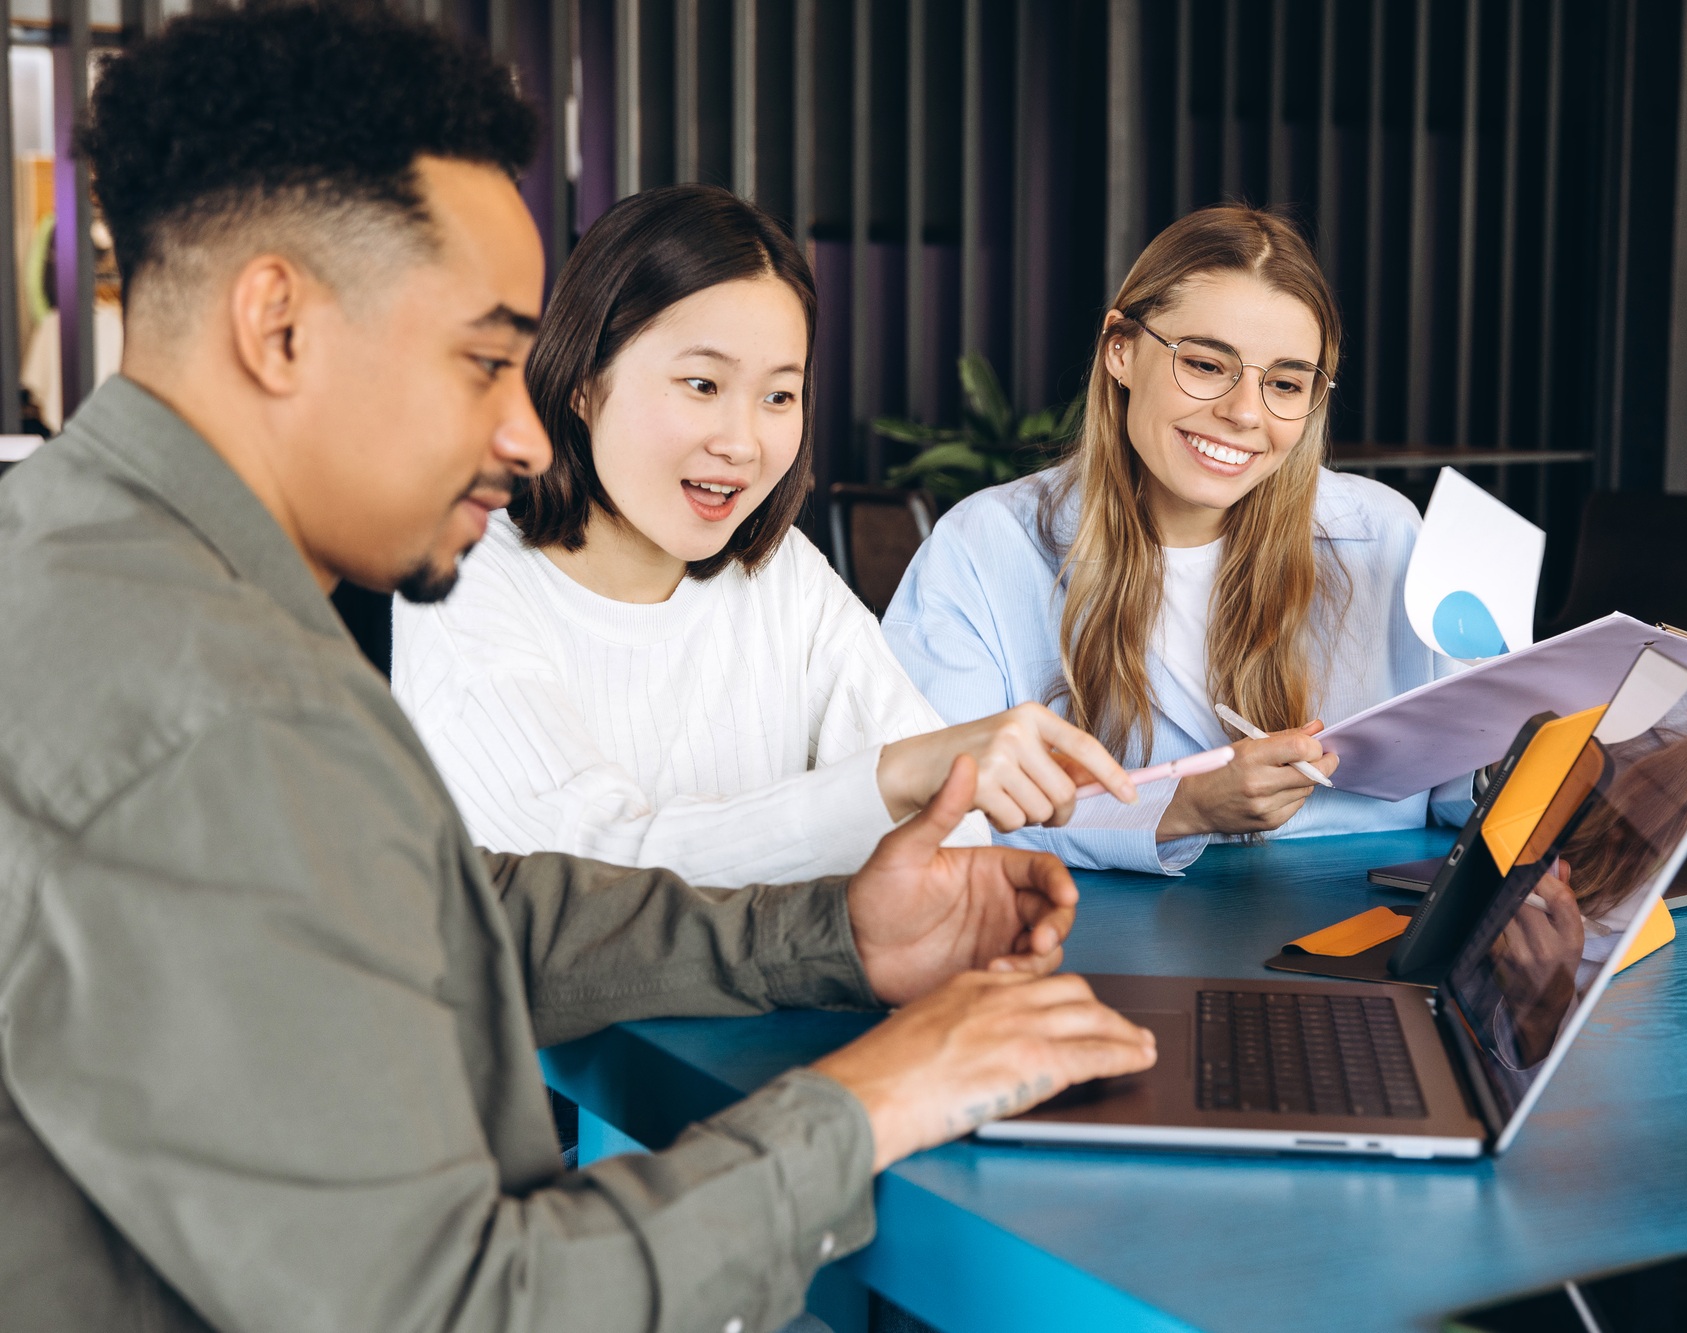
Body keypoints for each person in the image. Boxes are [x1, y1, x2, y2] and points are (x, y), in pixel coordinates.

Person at [0, 6, 1154, 1331]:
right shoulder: (215, 713)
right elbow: (462, 1307)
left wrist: (834, 933)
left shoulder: (102, 568)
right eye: (490, 359)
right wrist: (876, 1099)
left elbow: (451, 910)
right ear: (280, 326)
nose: (525, 429)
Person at [393, 183, 1137, 888]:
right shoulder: (462, 581)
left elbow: (949, 836)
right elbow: (591, 876)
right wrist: (892, 780)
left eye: (780, 395)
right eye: (703, 385)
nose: (743, 443)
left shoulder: (779, 575)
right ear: (584, 382)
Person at [885, 205, 1473, 874]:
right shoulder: (983, 548)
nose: (1245, 413)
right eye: (1204, 364)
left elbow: (1468, 784)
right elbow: (935, 813)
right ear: (1121, 350)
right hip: (1090, 943)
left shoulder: (1387, 534)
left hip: (1361, 936)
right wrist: (1181, 807)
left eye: (1284, 383)